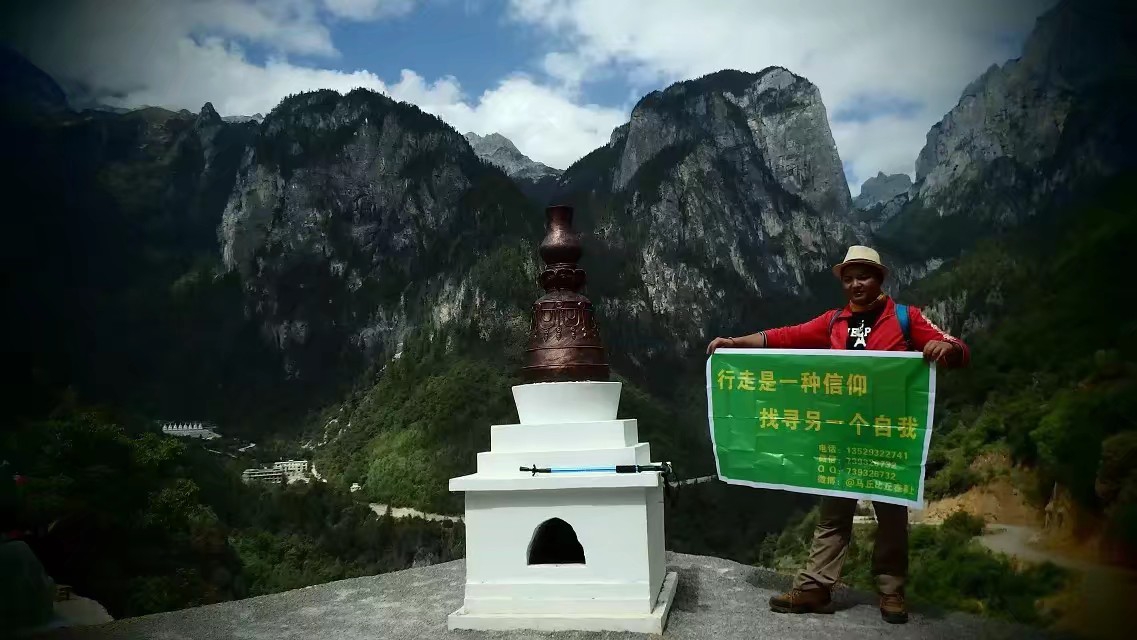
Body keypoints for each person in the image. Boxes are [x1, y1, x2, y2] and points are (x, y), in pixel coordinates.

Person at [705, 245, 970, 624]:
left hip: (887, 436)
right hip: (840, 435)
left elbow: (959, 348)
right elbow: (786, 337)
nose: (855, 284)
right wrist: (735, 344)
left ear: (879, 279)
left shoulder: (905, 318)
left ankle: (891, 591)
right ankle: (815, 587)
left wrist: (945, 347)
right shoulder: (834, 322)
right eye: (848, 278)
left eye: (863, 276)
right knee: (833, 515)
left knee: (892, 517)